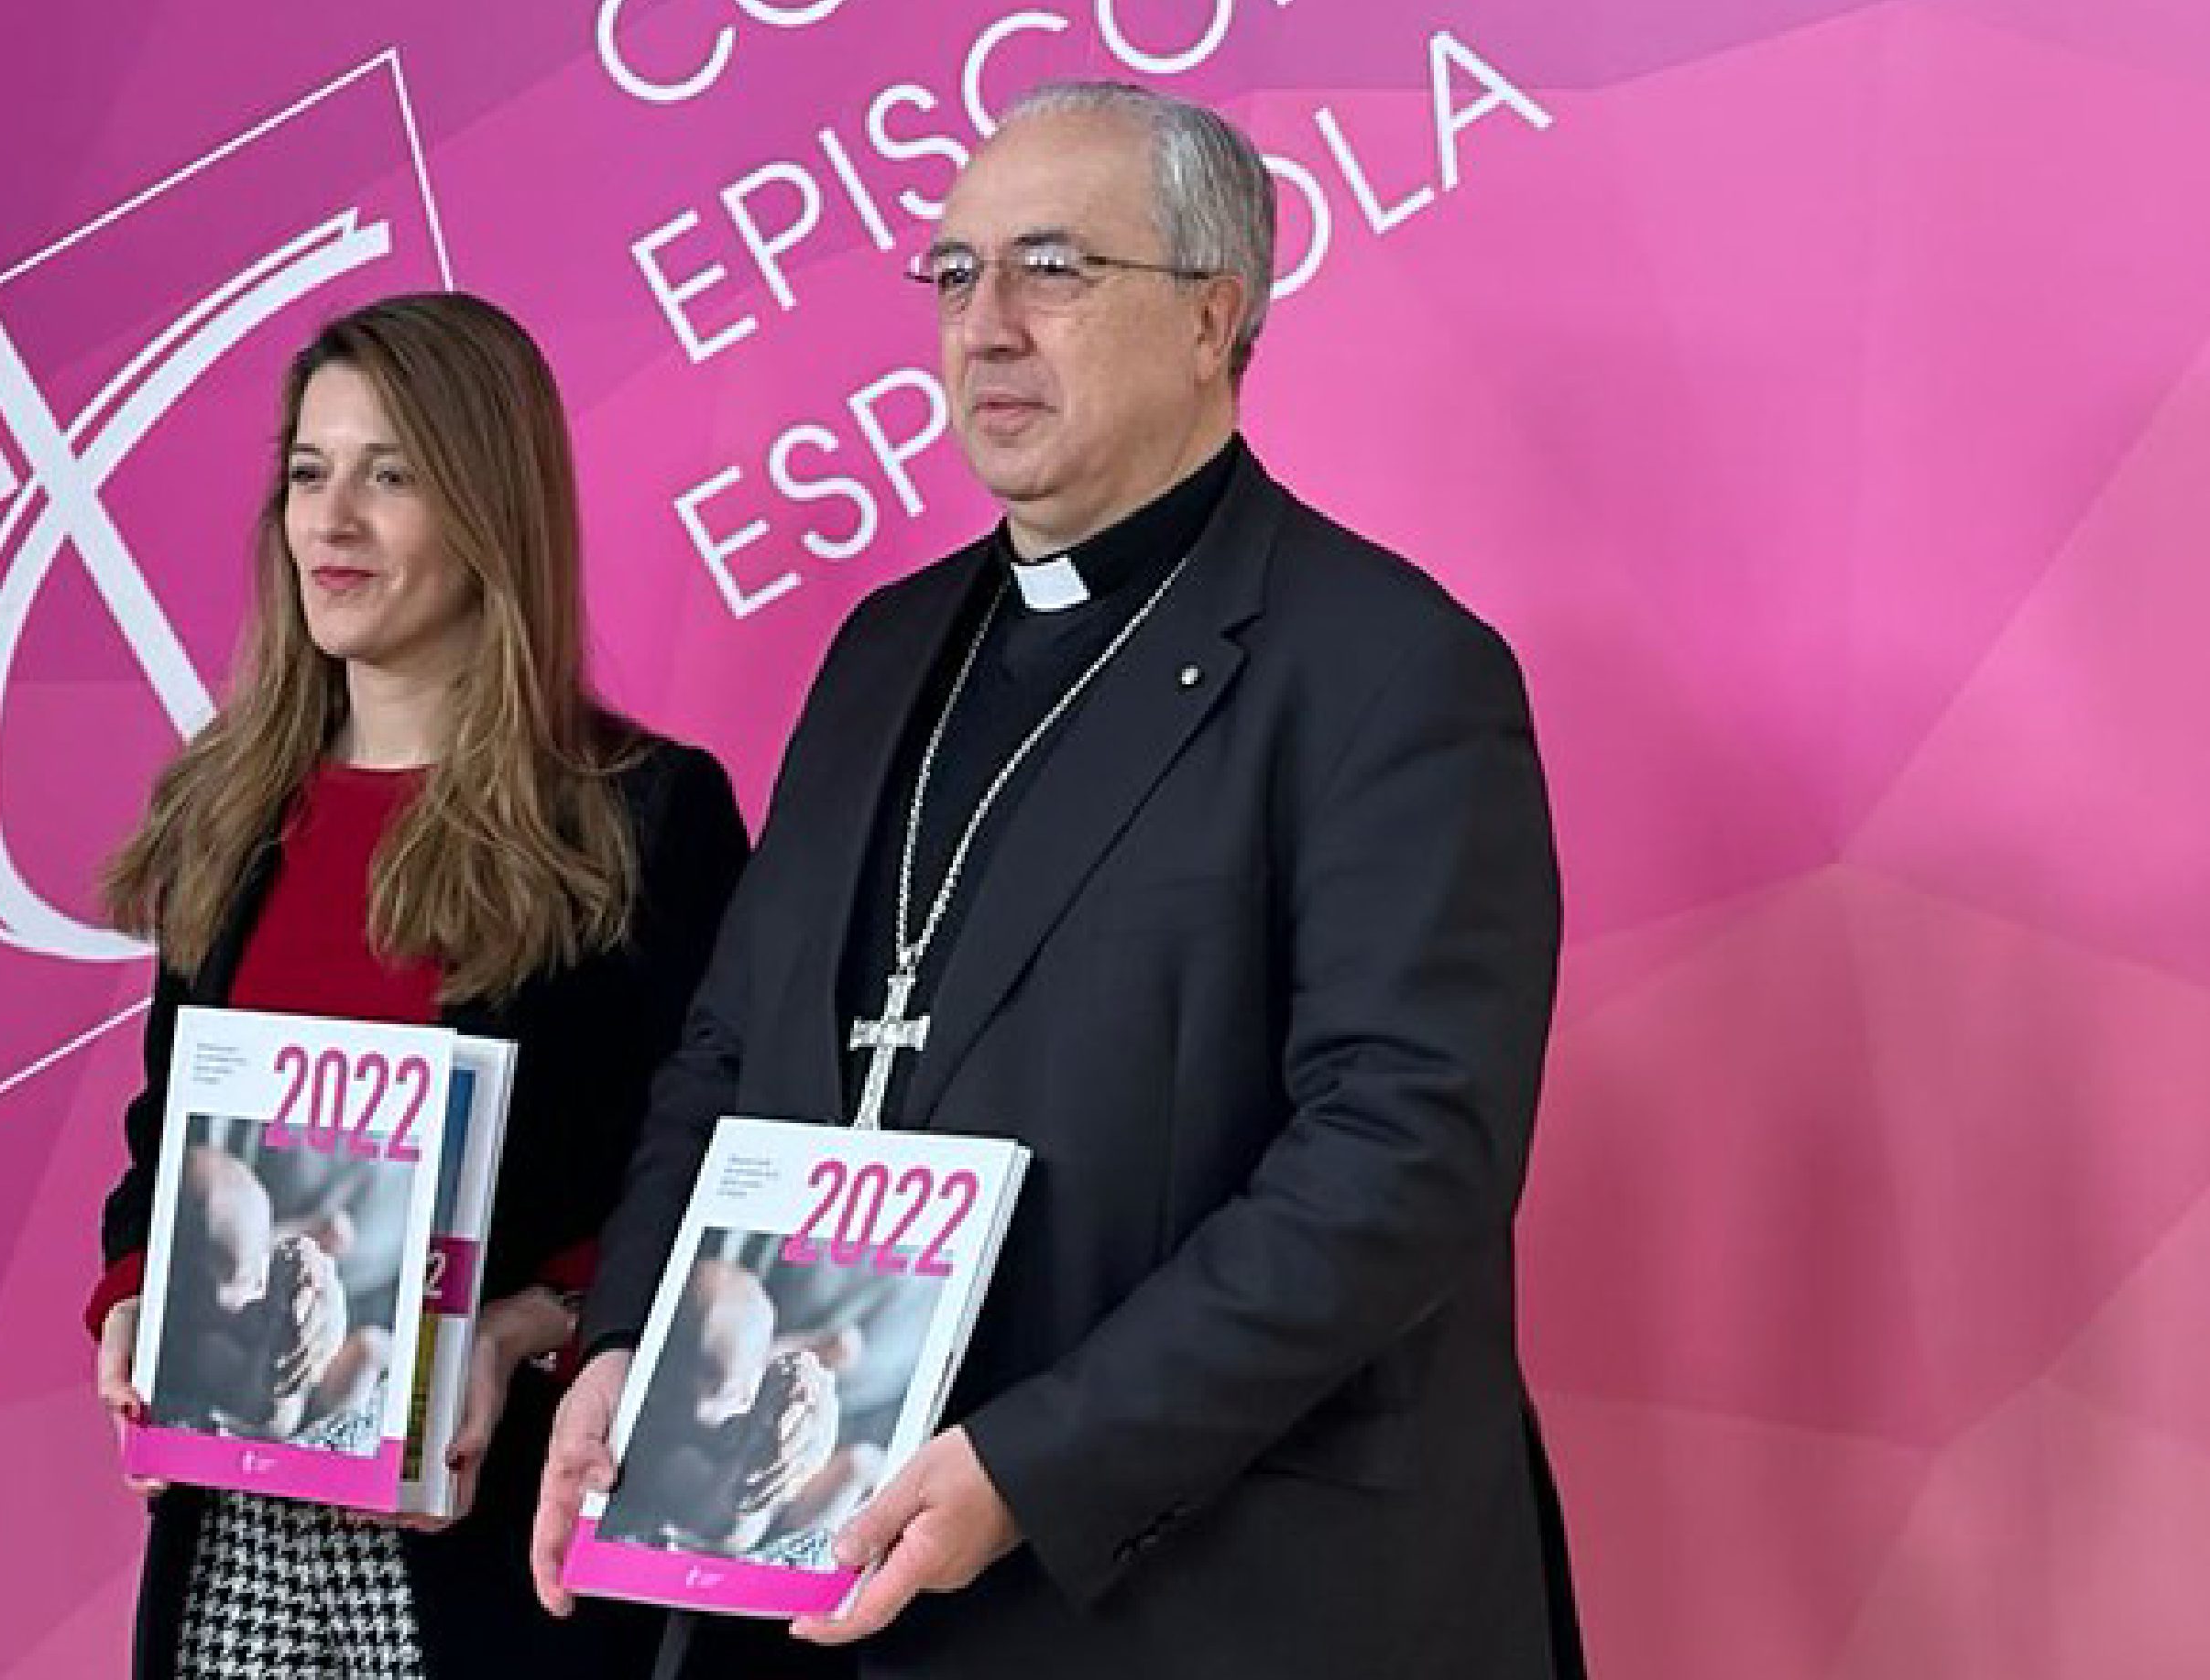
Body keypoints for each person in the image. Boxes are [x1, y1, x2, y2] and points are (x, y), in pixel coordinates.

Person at [535, 82, 1585, 1680]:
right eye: (955, 275)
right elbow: (728, 1052)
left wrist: (1036, 1460)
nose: (986, 328)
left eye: (1051, 268)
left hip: (1212, 1594)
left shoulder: (1386, 667)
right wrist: (634, 1336)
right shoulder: (883, 652)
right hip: (829, 1574)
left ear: (1213, 317)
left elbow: (1402, 1153)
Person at [85, 291, 750, 1679]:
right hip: (231, 1541)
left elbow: (704, 1167)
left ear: (489, 507)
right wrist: (136, 1300)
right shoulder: (226, 810)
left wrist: (528, 1327)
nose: (331, 522)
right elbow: (166, 1141)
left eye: (389, 476)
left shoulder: (639, 814)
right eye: (307, 473)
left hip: (487, 1536)